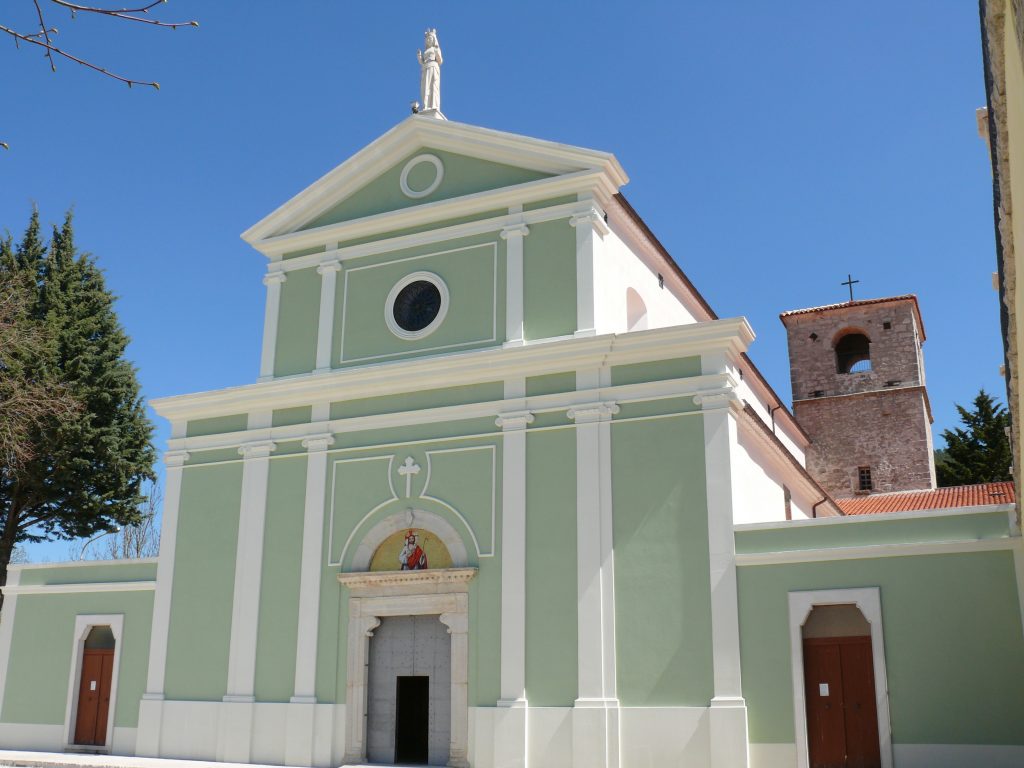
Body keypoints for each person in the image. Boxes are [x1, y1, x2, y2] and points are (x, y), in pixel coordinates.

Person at [417, 29, 443, 113]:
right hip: (425, 68)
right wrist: (419, 57)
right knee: (425, 87)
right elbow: (422, 63)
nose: (428, 40)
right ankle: (426, 105)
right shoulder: (426, 51)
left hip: (433, 66)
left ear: (433, 40)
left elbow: (440, 61)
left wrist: (437, 53)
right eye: (427, 39)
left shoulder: (435, 49)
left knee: (433, 86)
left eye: (430, 38)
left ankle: (433, 105)